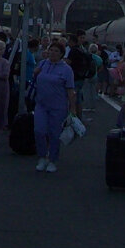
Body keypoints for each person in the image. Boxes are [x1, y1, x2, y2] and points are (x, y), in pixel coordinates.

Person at [32, 40, 76, 173]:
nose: (53, 53)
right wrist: (36, 72)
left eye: (56, 51)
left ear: (62, 54)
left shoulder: (66, 70)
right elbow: (35, 79)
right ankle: (42, 156)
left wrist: (72, 108)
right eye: (51, 50)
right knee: (39, 130)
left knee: (54, 134)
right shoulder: (43, 64)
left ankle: (52, 159)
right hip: (41, 104)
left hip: (58, 106)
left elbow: (70, 90)